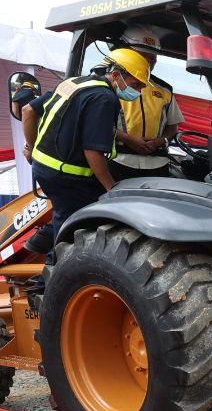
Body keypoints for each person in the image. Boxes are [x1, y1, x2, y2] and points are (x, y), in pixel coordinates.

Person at [29, 48, 149, 254]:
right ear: (115, 73)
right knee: (76, 234)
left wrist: (30, 149)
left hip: (44, 169)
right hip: (68, 177)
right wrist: (112, 189)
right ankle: (51, 278)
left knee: (64, 217)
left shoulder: (74, 83)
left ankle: (45, 244)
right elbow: (93, 151)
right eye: (135, 84)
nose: (137, 92)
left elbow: (28, 111)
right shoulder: (104, 98)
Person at [109, 25, 183, 181]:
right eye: (144, 57)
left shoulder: (165, 90)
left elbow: (173, 126)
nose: (149, 63)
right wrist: (128, 140)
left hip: (158, 164)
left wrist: (160, 141)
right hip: (118, 160)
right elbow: (96, 124)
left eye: (153, 59)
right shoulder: (112, 85)